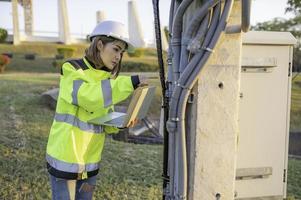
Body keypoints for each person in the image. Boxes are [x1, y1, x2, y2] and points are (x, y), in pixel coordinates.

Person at [46, 20, 144, 200]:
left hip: (89, 164)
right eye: (116, 49)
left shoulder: (105, 79)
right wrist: (129, 82)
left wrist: (122, 122)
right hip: (65, 161)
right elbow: (88, 98)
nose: (118, 57)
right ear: (99, 44)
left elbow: (102, 117)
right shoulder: (72, 69)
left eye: (121, 53)